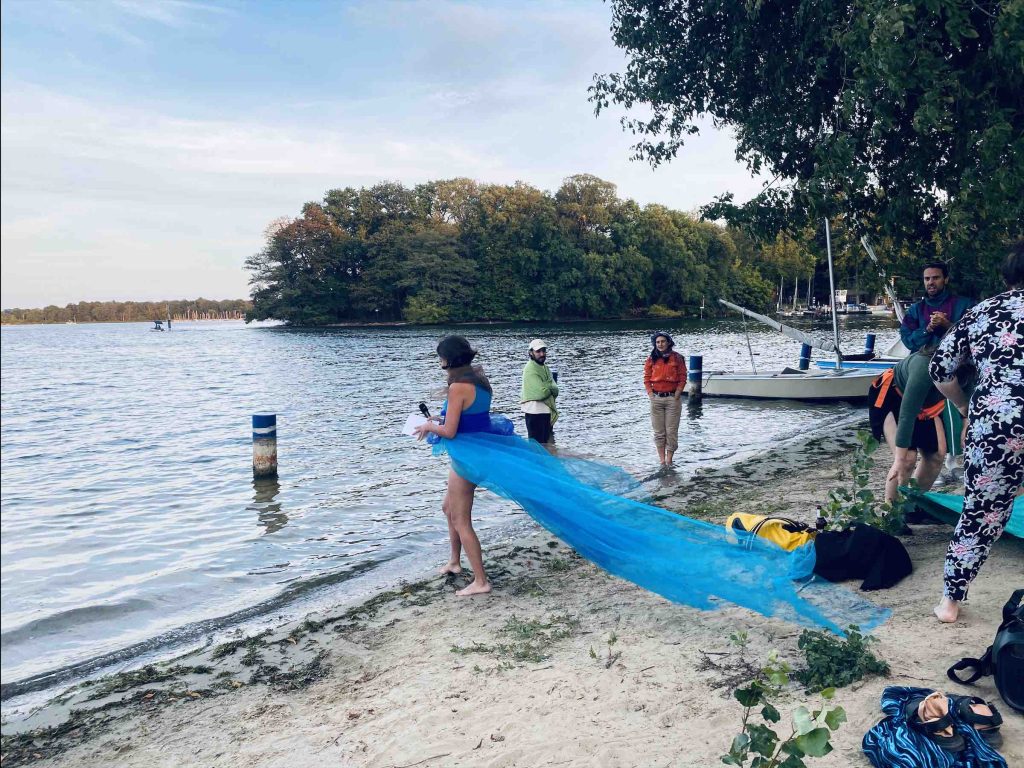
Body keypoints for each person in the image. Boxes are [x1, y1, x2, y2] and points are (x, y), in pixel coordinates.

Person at [928, 242, 1024, 623]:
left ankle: (950, 603)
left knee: (980, 513)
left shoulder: (982, 313)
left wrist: (966, 407)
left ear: (1007, 276)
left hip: (995, 421)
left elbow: (940, 370)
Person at [412, 335, 501, 596]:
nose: (439, 362)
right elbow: (470, 417)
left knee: (462, 519)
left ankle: (481, 581)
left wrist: (429, 425)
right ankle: (454, 561)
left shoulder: (458, 387)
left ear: (448, 359)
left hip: (467, 457)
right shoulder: (480, 381)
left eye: (440, 357)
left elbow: (450, 431)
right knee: (448, 507)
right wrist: (440, 416)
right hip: (477, 451)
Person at [868, 349, 948, 502]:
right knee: (907, 459)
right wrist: (899, 458)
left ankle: (913, 505)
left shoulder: (970, 366)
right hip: (893, 394)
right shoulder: (924, 368)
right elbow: (907, 415)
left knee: (936, 455)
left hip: (927, 400)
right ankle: (893, 514)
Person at [900, 261, 973, 353]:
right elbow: (908, 341)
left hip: (958, 360)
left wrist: (948, 325)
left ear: (945, 279)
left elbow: (975, 336)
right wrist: (927, 329)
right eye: (927, 279)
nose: (930, 282)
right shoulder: (915, 309)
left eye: (936, 278)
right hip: (922, 360)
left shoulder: (965, 304)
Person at [644, 331, 687, 466]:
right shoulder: (651, 359)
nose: (660, 344)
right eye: (657, 342)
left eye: (663, 341)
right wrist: (651, 394)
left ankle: (669, 460)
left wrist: (678, 393)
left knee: (671, 431)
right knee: (659, 432)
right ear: (654, 344)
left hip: (672, 399)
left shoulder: (677, 358)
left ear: (668, 342)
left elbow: (683, 377)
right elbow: (646, 378)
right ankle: (662, 461)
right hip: (656, 398)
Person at [520, 339, 558, 445]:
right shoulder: (530, 369)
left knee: (547, 443)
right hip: (534, 412)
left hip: (546, 411)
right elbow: (541, 393)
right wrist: (549, 386)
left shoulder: (546, 368)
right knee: (536, 445)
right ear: (531, 353)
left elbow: (556, 390)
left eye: (543, 351)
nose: (542, 354)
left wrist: (548, 387)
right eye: (538, 351)